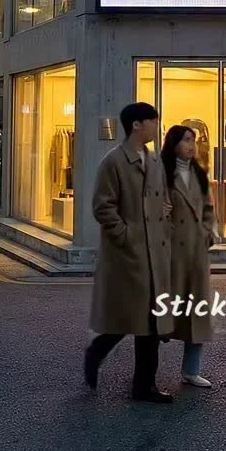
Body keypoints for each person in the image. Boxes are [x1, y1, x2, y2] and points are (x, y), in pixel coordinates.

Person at [85, 102, 174, 403]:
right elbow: (103, 206)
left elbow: (160, 200)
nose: (156, 126)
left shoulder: (154, 160)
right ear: (137, 125)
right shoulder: (114, 161)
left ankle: (144, 385)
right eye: (153, 121)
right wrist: (125, 236)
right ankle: (98, 352)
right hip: (129, 254)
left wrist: (164, 212)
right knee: (133, 317)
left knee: (149, 322)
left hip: (154, 252)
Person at [161, 125, 215, 388]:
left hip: (195, 253)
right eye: (186, 140)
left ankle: (191, 370)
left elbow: (208, 208)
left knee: (197, 313)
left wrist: (207, 233)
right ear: (174, 145)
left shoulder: (199, 174)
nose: (191, 145)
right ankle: (145, 373)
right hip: (171, 253)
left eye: (193, 140)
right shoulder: (162, 174)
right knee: (162, 311)